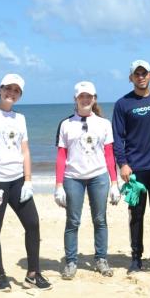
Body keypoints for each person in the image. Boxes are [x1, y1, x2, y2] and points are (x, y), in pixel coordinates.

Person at [0, 74, 51, 291]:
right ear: (0, 89)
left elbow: (25, 150)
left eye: (16, 90)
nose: (11, 93)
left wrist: (28, 180)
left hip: (17, 180)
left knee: (33, 224)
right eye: (8, 88)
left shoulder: (21, 119)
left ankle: (33, 275)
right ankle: (0, 275)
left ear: (20, 95)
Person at [54, 81, 122, 279]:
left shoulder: (104, 124)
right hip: (72, 178)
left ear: (94, 99)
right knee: (73, 221)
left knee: (100, 220)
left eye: (89, 96)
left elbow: (110, 155)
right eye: (81, 96)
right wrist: (58, 185)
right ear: (75, 99)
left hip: (98, 177)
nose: (85, 99)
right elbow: (61, 156)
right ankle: (71, 262)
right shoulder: (66, 124)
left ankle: (101, 258)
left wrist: (114, 183)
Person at [112, 60, 150, 272]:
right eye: (136, 74)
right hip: (135, 171)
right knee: (136, 214)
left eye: (144, 73)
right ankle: (136, 258)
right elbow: (118, 138)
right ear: (131, 78)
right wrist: (123, 164)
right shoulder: (123, 104)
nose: (141, 77)